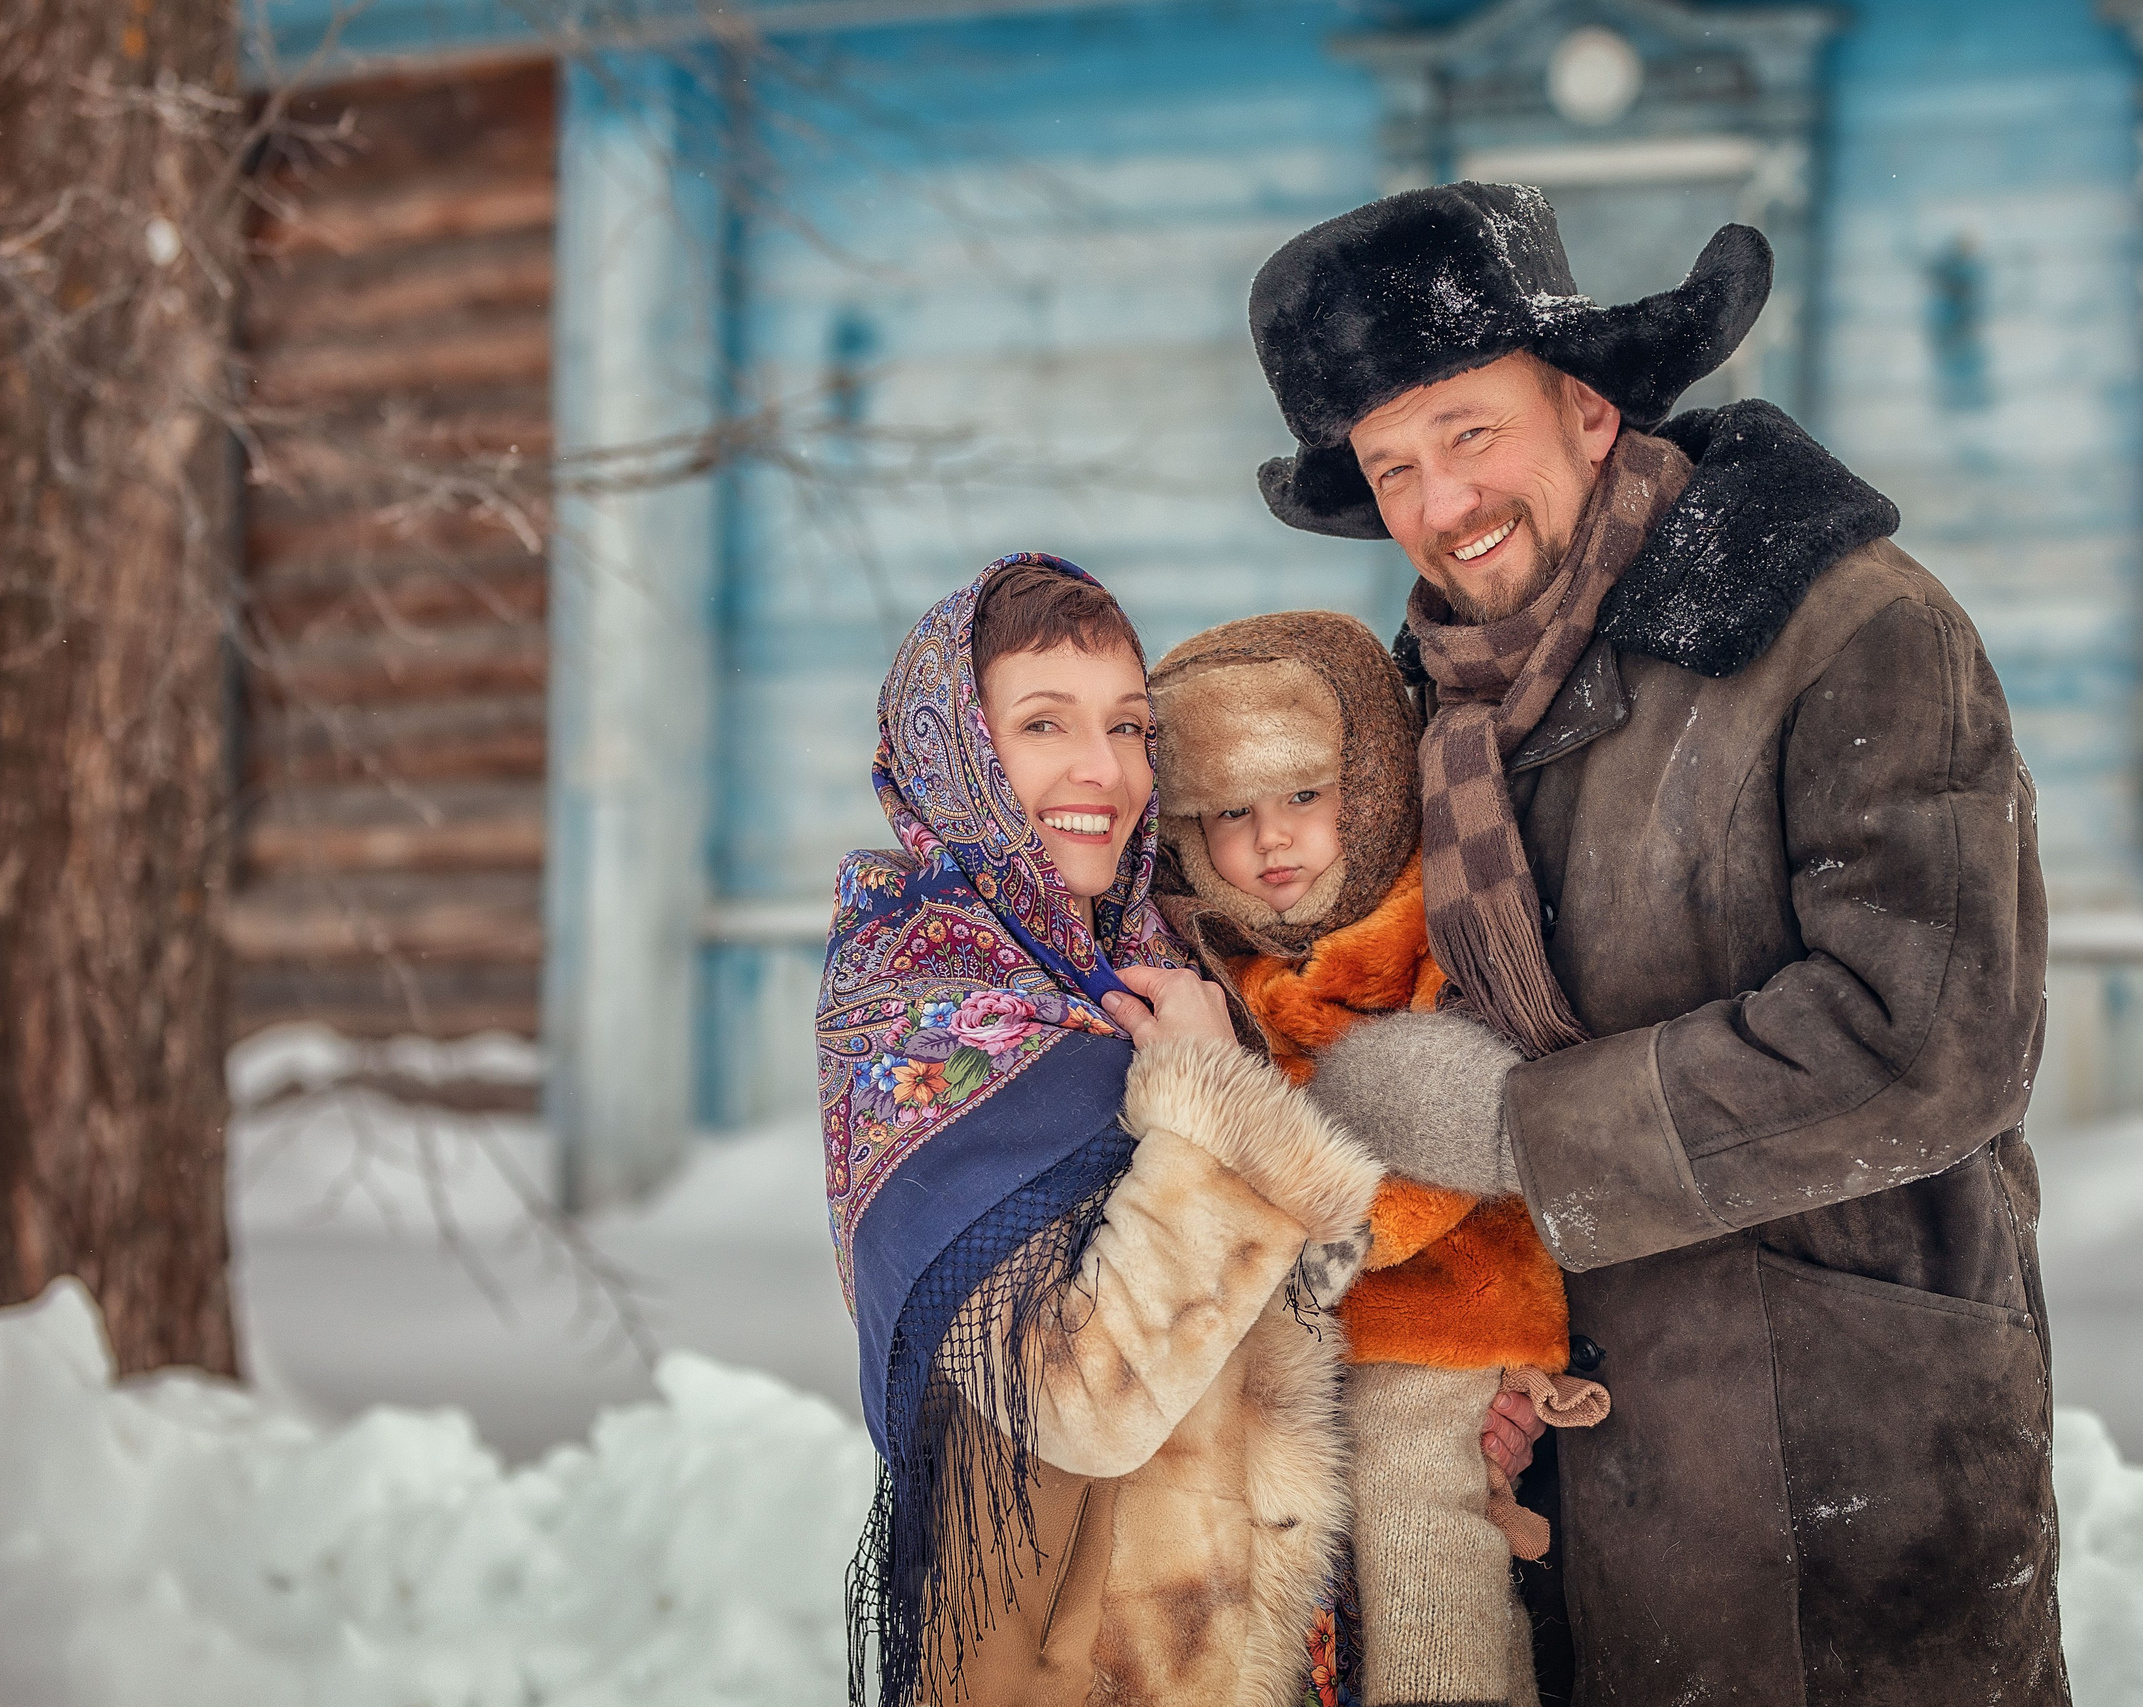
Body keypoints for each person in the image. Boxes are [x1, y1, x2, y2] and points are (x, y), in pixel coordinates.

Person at [1244, 184, 2066, 1705]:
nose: (1445, 501)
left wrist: (1515, 1129)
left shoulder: (1848, 628)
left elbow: (1929, 1040)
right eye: (1395, 466)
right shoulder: (1442, 712)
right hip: (1567, 1481)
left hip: (1840, 1467)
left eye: (1471, 431)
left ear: (1592, 409)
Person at [818, 554, 1383, 1707]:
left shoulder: (1158, 968)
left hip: (1254, 1642)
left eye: (1130, 727)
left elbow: (1300, 1295)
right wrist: (1206, 1099)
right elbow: (1076, 1400)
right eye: (1042, 725)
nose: (1104, 771)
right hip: (1077, 1665)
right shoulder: (920, 1007)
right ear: (960, 758)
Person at [1147, 611, 1608, 1707]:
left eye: (1305, 797)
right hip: (1309, 1332)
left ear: (1370, 782)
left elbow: (1457, 1132)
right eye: (1229, 814)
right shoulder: (1219, 961)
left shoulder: (1430, 923)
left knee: (1419, 1516)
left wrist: (1334, 1233)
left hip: (1447, 1306)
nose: (1272, 842)